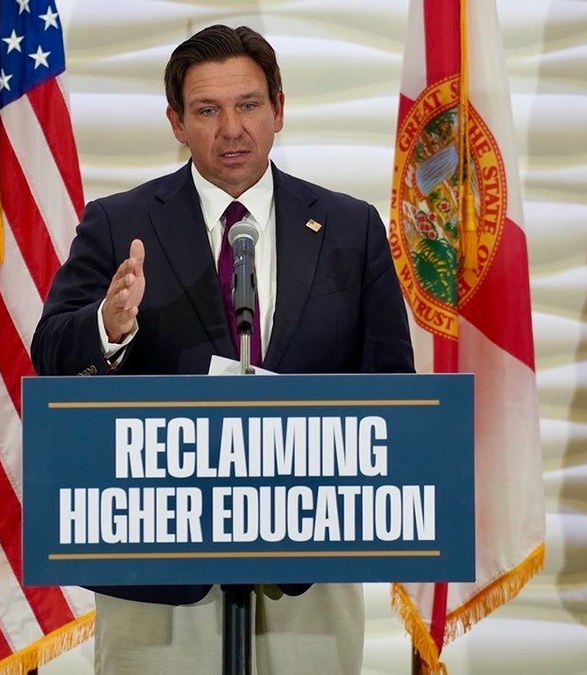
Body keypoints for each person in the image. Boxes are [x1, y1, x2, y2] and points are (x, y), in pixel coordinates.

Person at [31, 24, 414, 674]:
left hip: (308, 569)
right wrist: (108, 324)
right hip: (155, 571)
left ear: (279, 109)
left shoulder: (351, 228)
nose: (230, 128)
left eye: (248, 105)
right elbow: (51, 354)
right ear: (176, 122)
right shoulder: (119, 223)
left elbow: (392, 386)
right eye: (206, 110)